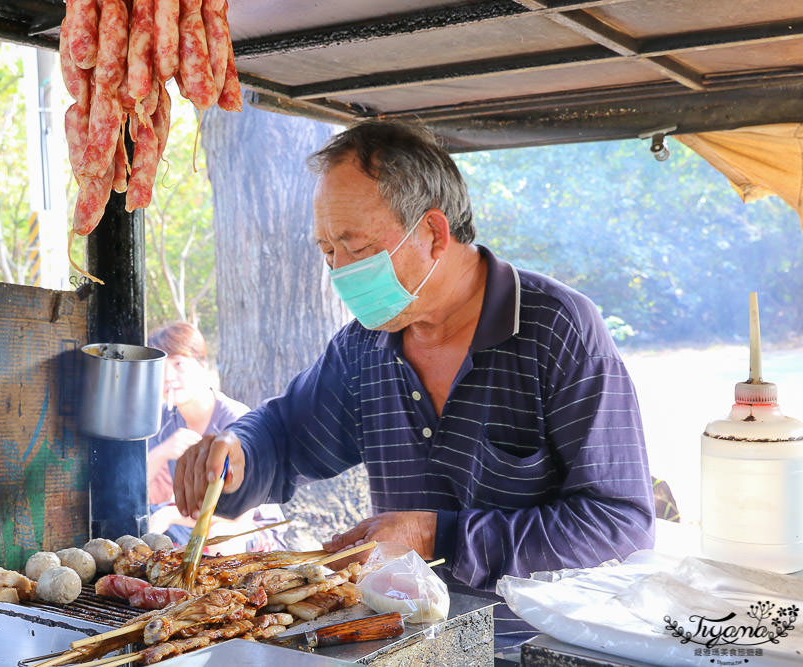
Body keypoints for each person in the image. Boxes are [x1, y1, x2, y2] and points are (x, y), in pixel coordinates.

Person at [172, 120, 655, 649]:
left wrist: (436, 535)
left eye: (357, 247)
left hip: (537, 649)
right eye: (327, 250)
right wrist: (238, 452)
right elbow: (285, 435)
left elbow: (620, 527)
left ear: (433, 234)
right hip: (412, 648)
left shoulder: (555, 329)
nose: (340, 272)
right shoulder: (364, 348)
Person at [145, 322, 286, 552]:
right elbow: (141, 493)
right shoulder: (163, 419)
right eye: (160, 367)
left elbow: (239, 518)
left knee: (219, 538)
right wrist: (162, 452)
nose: (168, 376)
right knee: (140, 521)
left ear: (202, 365)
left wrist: (168, 515)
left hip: (250, 530)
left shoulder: (235, 420)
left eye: (179, 364)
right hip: (191, 525)